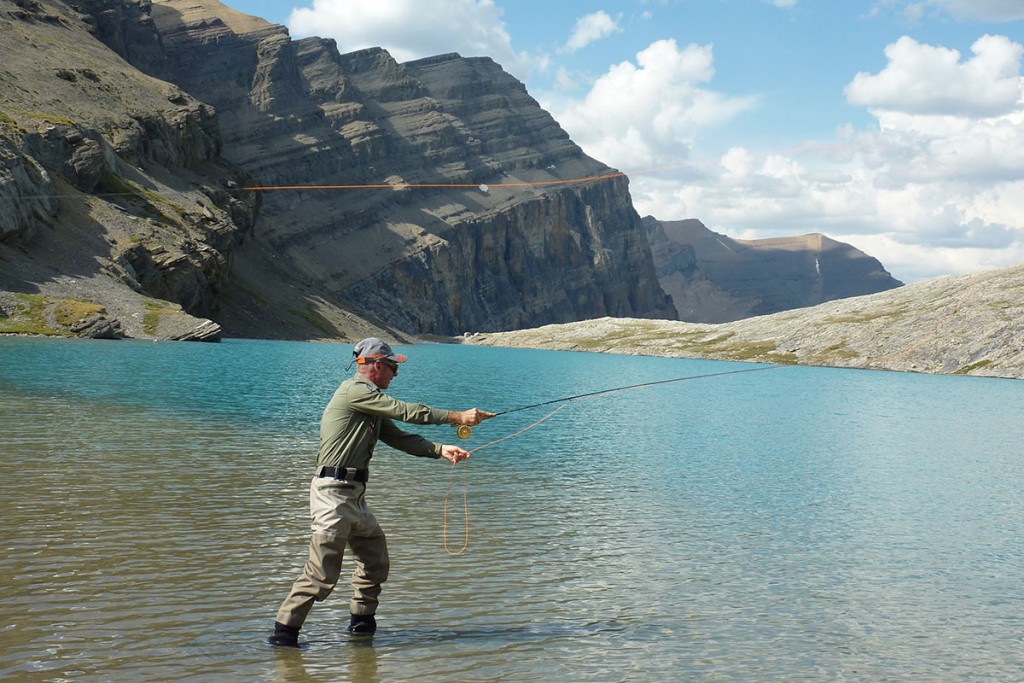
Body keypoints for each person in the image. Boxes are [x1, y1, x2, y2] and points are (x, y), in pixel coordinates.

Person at [268, 337, 495, 647]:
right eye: (392, 367)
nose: (395, 374)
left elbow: (400, 437)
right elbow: (406, 411)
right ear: (375, 364)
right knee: (321, 574)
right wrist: (457, 416)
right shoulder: (355, 391)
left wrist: (441, 449)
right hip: (331, 495)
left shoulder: (371, 404)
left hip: (355, 496)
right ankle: (283, 636)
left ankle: (362, 629)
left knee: (375, 562)